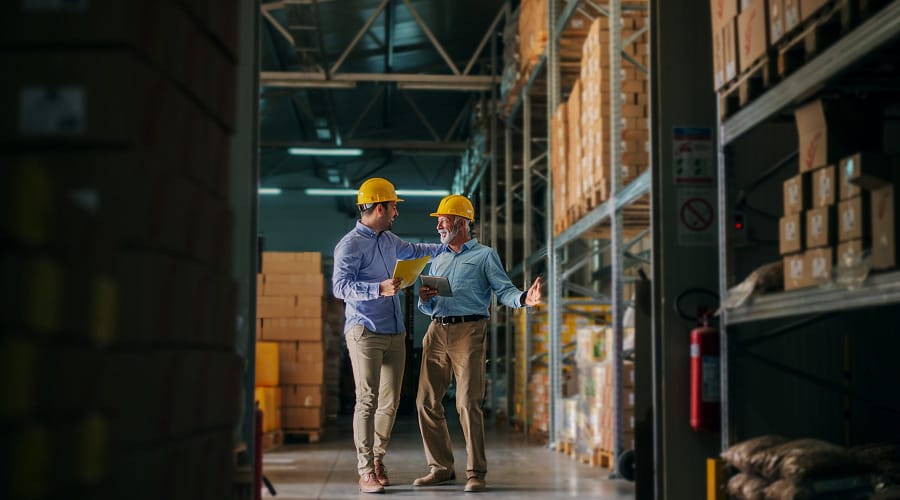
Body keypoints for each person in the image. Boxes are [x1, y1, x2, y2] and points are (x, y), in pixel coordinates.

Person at [413, 194, 542, 493]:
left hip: (469, 332)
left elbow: (505, 290)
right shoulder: (438, 257)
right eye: (439, 221)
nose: (439, 226)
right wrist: (424, 300)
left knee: (467, 403)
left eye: (443, 220)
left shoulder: (485, 256)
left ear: (461, 222)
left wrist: (525, 299)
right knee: (425, 402)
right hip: (435, 332)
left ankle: (476, 472)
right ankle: (441, 468)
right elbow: (429, 303)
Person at [332, 177, 446, 494]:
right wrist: (378, 288)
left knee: (390, 402)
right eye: (394, 207)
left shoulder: (390, 240)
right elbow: (339, 288)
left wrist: (447, 247)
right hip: (365, 330)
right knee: (366, 401)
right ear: (380, 207)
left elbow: (415, 250)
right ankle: (365, 469)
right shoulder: (350, 245)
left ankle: (377, 458)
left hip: (395, 332)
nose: (396, 213)